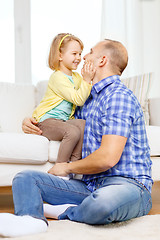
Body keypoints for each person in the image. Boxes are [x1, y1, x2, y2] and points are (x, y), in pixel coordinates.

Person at [0, 39, 153, 238]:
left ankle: (65, 212)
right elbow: (60, 122)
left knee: (103, 203)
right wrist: (31, 121)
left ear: (102, 60)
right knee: (25, 178)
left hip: (128, 185)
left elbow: (108, 158)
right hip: (90, 186)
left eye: (89, 52)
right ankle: (32, 220)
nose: (84, 57)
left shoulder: (118, 96)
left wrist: (67, 167)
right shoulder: (86, 100)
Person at [31, 33, 92, 170]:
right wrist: (87, 80)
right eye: (74, 53)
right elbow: (79, 99)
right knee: (72, 132)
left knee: (83, 125)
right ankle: (60, 168)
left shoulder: (76, 77)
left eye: (80, 54)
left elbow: (86, 90)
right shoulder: (57, 77)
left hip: (63, 121)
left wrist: (89, 77)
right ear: (60, 56)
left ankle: (74, 167)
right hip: (46, 121)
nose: (78, 58)